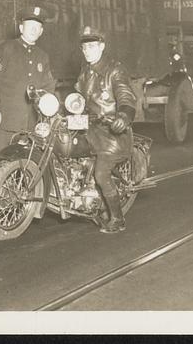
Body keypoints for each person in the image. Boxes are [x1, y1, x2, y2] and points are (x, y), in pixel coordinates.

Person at [74, 26, 137, 234]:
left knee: (101, 175)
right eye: (85, 47)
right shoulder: (85, 71)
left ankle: (118, 219)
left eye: (92, 46)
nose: (88, 51)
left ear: (102, 46)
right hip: (89, 128)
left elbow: (126, 96)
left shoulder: (115, 70)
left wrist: (124, 116)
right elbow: (78, 97)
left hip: (111, 133)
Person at [0, 5, 56, 167]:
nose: (33, 30)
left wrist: (49, 114)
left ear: (41, 31)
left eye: (37, 27)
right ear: (21, 27)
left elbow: (48, 87)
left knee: (25, 167)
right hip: (4, 121)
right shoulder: (6, 49)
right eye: (30, 26)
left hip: (30, 124)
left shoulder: (42, 56)